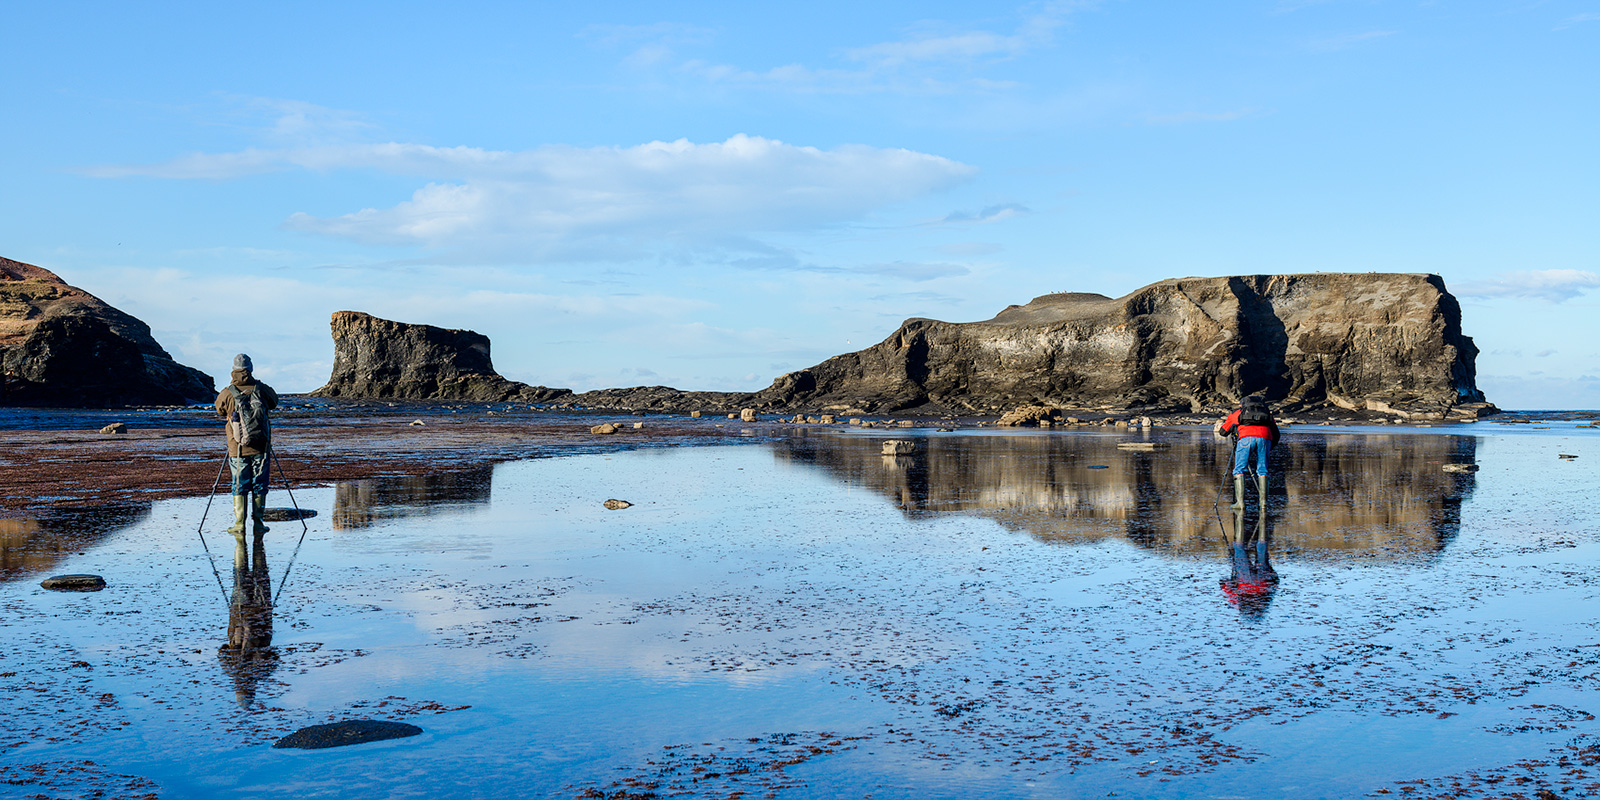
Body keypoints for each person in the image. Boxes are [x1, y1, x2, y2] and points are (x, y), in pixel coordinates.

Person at [215, 354, 278, 535]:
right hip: (261, 446)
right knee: (260, 484)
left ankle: (239, 525)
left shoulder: (228, 392)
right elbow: (274, 402)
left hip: (237, 448)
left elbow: (219, 410)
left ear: (233, 370)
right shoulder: (261, 389)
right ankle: (258, 524)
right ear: (250, 368)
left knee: (239, 484)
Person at [1219, 394, 1280, 510]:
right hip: (1265, 439)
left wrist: (1235, 429)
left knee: (1239, 469)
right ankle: (1263, 504)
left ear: (1242, 404)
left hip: (1246, 439)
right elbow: (1276, 434)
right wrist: (1269, 447)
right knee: (1262, 469)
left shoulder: (1238, 412)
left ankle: (1240, 504)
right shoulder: (1267, 413)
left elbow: (1223, 431)